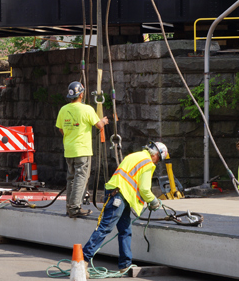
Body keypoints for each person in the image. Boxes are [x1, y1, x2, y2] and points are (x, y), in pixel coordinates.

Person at [82, 141, 168, 273]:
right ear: (156, 154)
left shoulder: (134, 156)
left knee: (125, 230)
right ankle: (82, 260)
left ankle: (125, 265)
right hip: (119, 196)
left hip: (119, 194)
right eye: (159, 159)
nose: (157, 162)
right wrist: (154, 201)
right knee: (105, 228)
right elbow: (145, 189)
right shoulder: (147, 163)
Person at [55, 81, 108, 218]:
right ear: (82, 94)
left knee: (71, 178)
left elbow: (61, 129)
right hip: (82, 150)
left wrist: (71, 135)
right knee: (81, 178)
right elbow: (99, 125)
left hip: (69, 150)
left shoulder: (63, 109)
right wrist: (104, 121)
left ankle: (69, 207)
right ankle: (74, 208)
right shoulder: (87, 109)